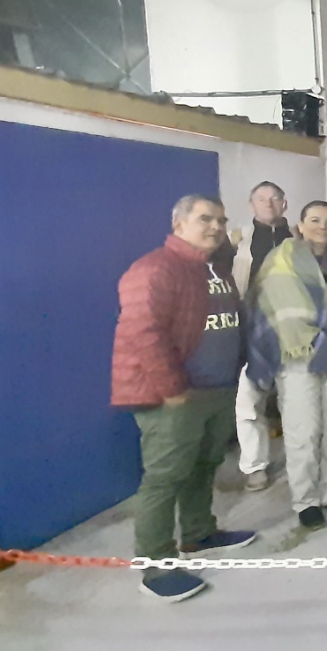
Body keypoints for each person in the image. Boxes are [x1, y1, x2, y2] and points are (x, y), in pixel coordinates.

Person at [111, 195, 257, 603]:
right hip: (175, 397)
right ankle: (156, 564)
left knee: (204, 464)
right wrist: (172, 389)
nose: (215, 226)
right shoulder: (155, 269)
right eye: (205, 219)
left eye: (221, 220)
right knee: (165, 477)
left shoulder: (214, 268)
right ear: (178, 224)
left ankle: (198, 533)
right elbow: (144, 333)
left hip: (216, 389)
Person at [247, 201, 327, 531]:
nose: (322, 226)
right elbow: (271, 304)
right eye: (315, 220)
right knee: (302, 431)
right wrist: (312, 333)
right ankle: (306, 499)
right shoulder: (280, 259)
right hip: (297, 357)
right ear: (301, 225)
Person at [227, 180, 293, 491]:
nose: (268, 204)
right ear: (252, 204)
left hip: (294, 334)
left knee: (296, 403)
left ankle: (301, 460)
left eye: (275, 198)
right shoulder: (237, 243)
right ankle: (254, 465)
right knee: (248, 404)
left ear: (285, 204)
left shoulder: (300, 238)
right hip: (252, 334)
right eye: (261, 198)